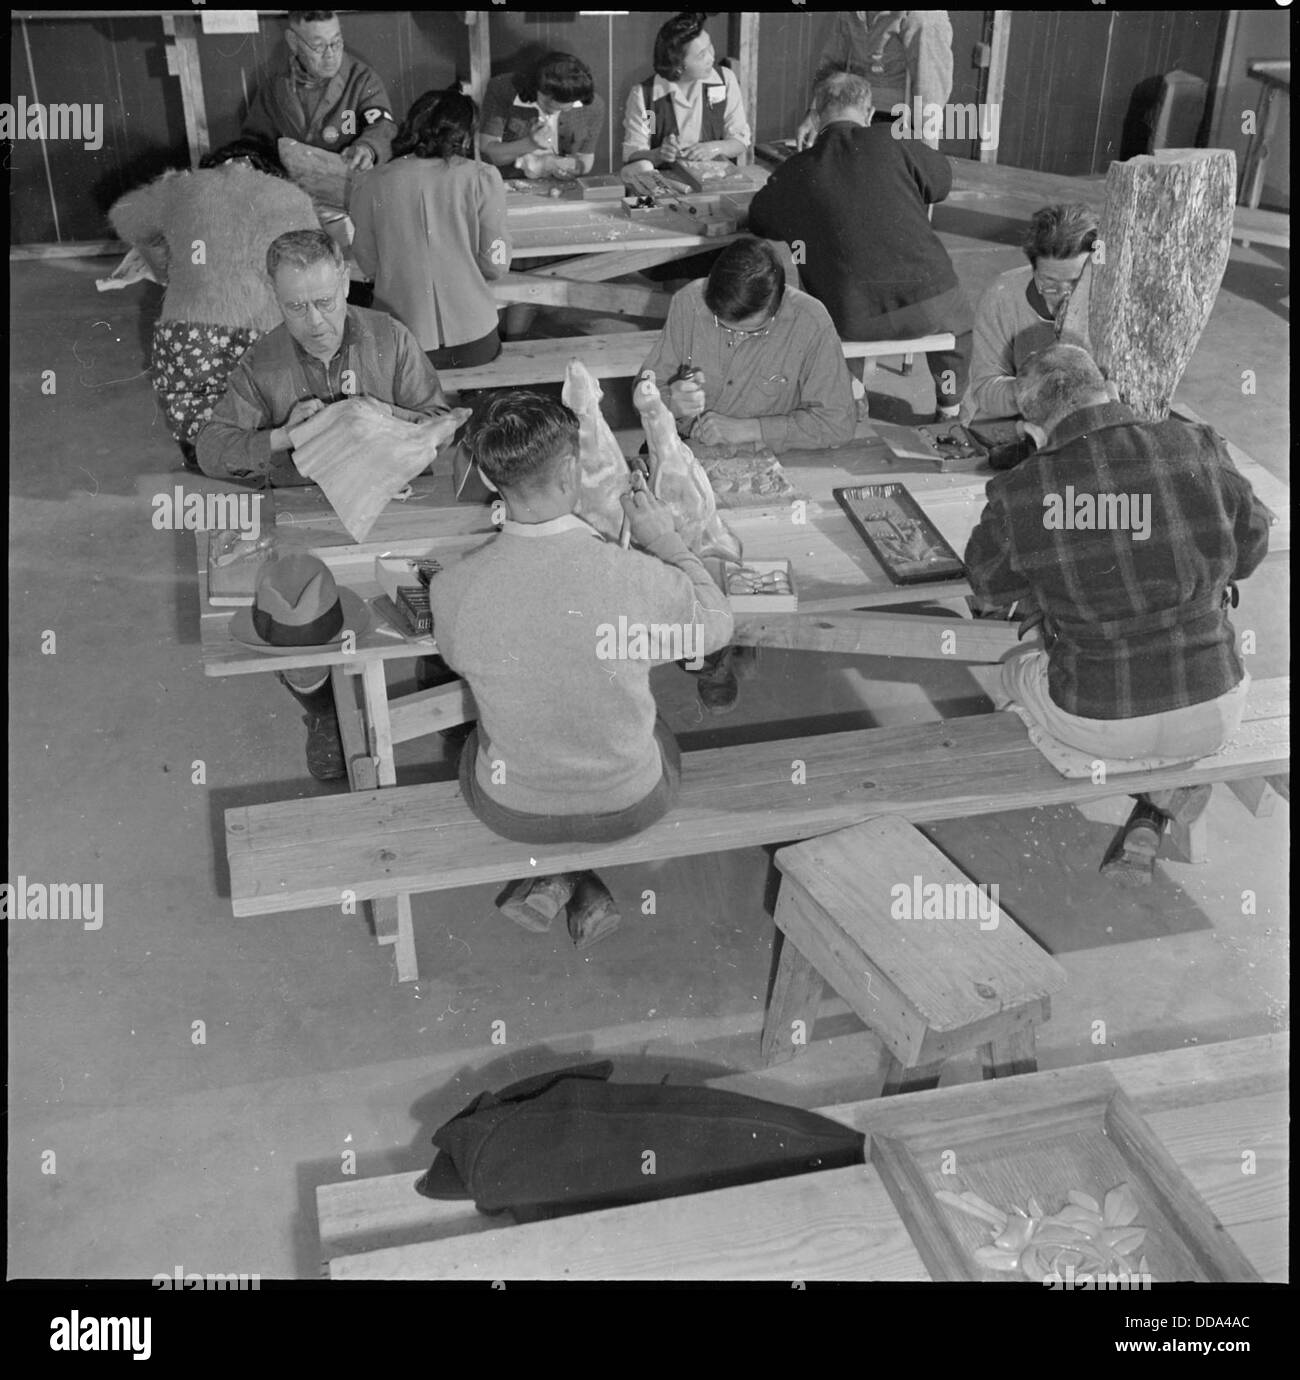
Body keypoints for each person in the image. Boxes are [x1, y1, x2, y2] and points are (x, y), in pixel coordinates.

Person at [428, 390, 734, 947]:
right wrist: (663, 540)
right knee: (644, 723)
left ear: (495, 483)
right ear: (571, 470)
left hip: (512, 810)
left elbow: (460, 656)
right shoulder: (634, 577)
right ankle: (573, 877)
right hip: (630, 806)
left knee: (488, 727)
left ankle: (561, 876)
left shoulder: (451, 590)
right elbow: (716, 625)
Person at [964, 345, 1272, 886]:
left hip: (1097, 720)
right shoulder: (1197, 444)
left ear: (1033, 431)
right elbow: (1250, 548)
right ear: (1108, 387)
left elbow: (990, 588)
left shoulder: (1022, 491)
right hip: (1215, 705)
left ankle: (1063, 783)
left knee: (1013, 664)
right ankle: (1157, 803)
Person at [196, 228, 455, 781]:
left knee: (454, 586)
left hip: (393, 502)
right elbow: (211, 448)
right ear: (274, 296)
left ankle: (443, 678)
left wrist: (386, 421)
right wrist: (280, 439)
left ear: (345, 280)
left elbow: (439, 421)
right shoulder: (262, 362)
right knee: (288, 611)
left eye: (325, 302)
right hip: (308, 514)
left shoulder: (391, 338)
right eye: (295, 307)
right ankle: (323, 713)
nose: (314, 322)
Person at [641, 236, 857, 713]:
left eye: (749, 331)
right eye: (722, 325)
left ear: (777, 309)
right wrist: (668, 399)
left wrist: (749, 428)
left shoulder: (810, 320)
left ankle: (742, 630)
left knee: (761, 561)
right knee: (683, 561)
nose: (731, 335)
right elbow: (647, 385)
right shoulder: (689, 302)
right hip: (687, 457)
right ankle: (710, 652)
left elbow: (839, 421)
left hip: (763, 470)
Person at [748, 71, 971, 422]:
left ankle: (852, 394)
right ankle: (950, 407)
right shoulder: (893, 141)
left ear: (817, 115)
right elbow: (941, 183)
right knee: (960, 324)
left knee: (818, 298)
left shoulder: (796, 170)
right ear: (868, 113)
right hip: (932, 308)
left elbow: (759, 220)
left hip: (851, 319)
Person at [108, 138, 318, 470]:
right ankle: (269, 443)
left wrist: (164, 262)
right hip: (267, 335)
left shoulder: (182, 187)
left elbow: (123, 217)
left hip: (191, 335)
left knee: (195, 403)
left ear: (212, 164)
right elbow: (312, 264)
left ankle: (202, 452)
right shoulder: (293, 197)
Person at [351, 88, 510, 371]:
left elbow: (368, 263)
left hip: (402, 341)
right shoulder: (483, 177)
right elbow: (495, 264)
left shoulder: (369, 182)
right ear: (464, 134)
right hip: (474, 340)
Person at [962, 203, 1099, 429]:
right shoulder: (1002, 296)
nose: (1063, 296)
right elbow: (985, 389)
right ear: (1033, 269)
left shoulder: (1106, 299)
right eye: (1049, 283)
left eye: (1076, 283)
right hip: (1012, 422)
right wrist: (1036, 391)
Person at [240, 9, 396, 173]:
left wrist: (368, 148)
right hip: (292, 191)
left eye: (336, 42)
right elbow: (253, 141)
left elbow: (383, 127)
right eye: (318, 46)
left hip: (348, 188)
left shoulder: (362, 80)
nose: (330, 55)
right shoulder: (273, 89)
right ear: (293, 42)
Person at [795, 10, 953, 150]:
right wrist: (815, 114)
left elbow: (931, 93)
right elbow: (832, 66)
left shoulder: (925, 16)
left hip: (898, 125)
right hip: (853, 117)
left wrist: (926, 158)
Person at [622, 12, 751, 171]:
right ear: (678, 66)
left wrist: (713, 148)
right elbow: (634, 153)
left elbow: (740, 141)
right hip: (667, 185)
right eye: (701, 54)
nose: (711, 57)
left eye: (709, 45)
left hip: (714, 178)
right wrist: (658, 154)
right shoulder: (648, 99)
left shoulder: (725, 80)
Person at [479, 51, 606, 180]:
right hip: (509, 185)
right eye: (546, 103)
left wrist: (571, 168)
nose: (552, 111)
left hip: (562, 190)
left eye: (565, 107)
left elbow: (585, 158)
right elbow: (487, 154)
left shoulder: (593, 105)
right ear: (536, 86)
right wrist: (530, 143)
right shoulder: (503, 89)